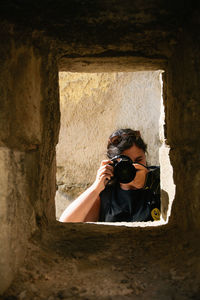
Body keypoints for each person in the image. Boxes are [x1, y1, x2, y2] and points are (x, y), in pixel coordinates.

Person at [59, 128, 160, 223]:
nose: (134, 166)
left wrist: (149, 181)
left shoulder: (158, 180)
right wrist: (96, 187)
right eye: (126, 163)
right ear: (113, 164)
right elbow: (66, 223)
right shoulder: (106, 195)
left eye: (138, 160)